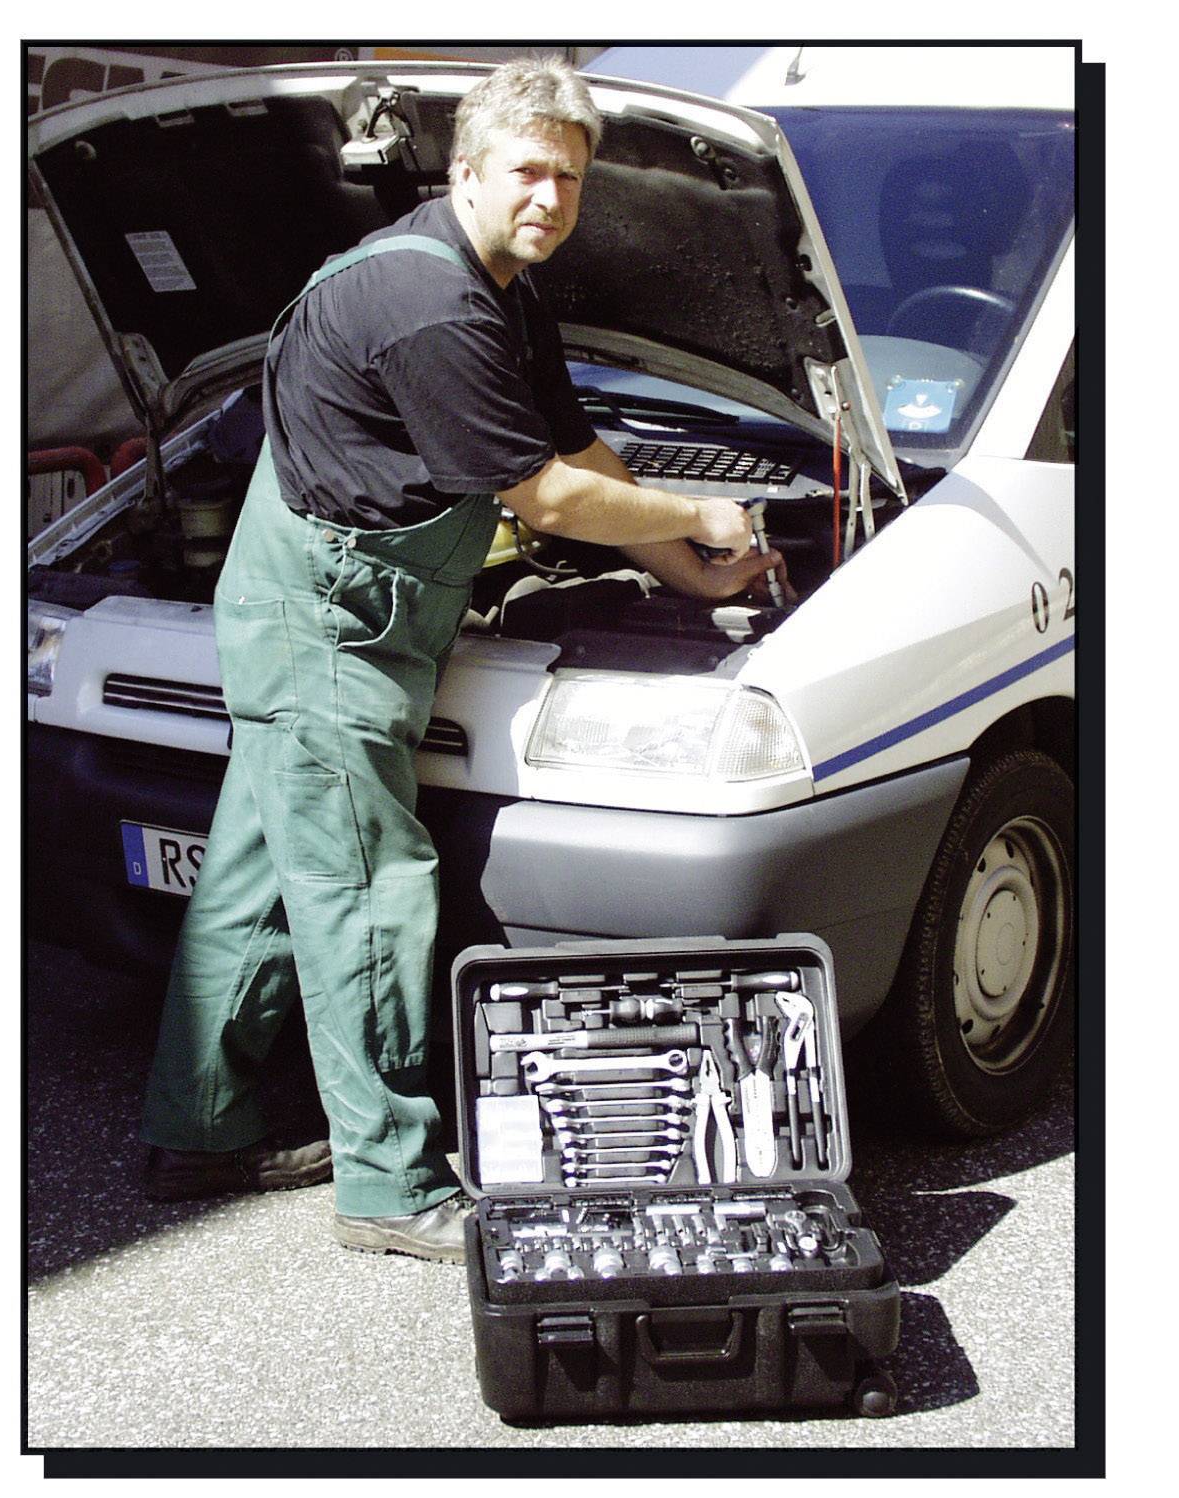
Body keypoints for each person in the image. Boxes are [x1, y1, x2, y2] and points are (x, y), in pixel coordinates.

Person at [140, 56, 789, 1262]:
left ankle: (200, 1128)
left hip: (334, 611)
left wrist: (682, 570)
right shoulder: (431, 302)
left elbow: (579, 445)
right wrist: (699, 516)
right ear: (469, 171)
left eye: (572, 178)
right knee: (368, 892)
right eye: (530, 171)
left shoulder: (503, 287)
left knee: (257, 878)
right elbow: (542, 494)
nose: (551, 196)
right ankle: (387, 1185)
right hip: (331, 627)